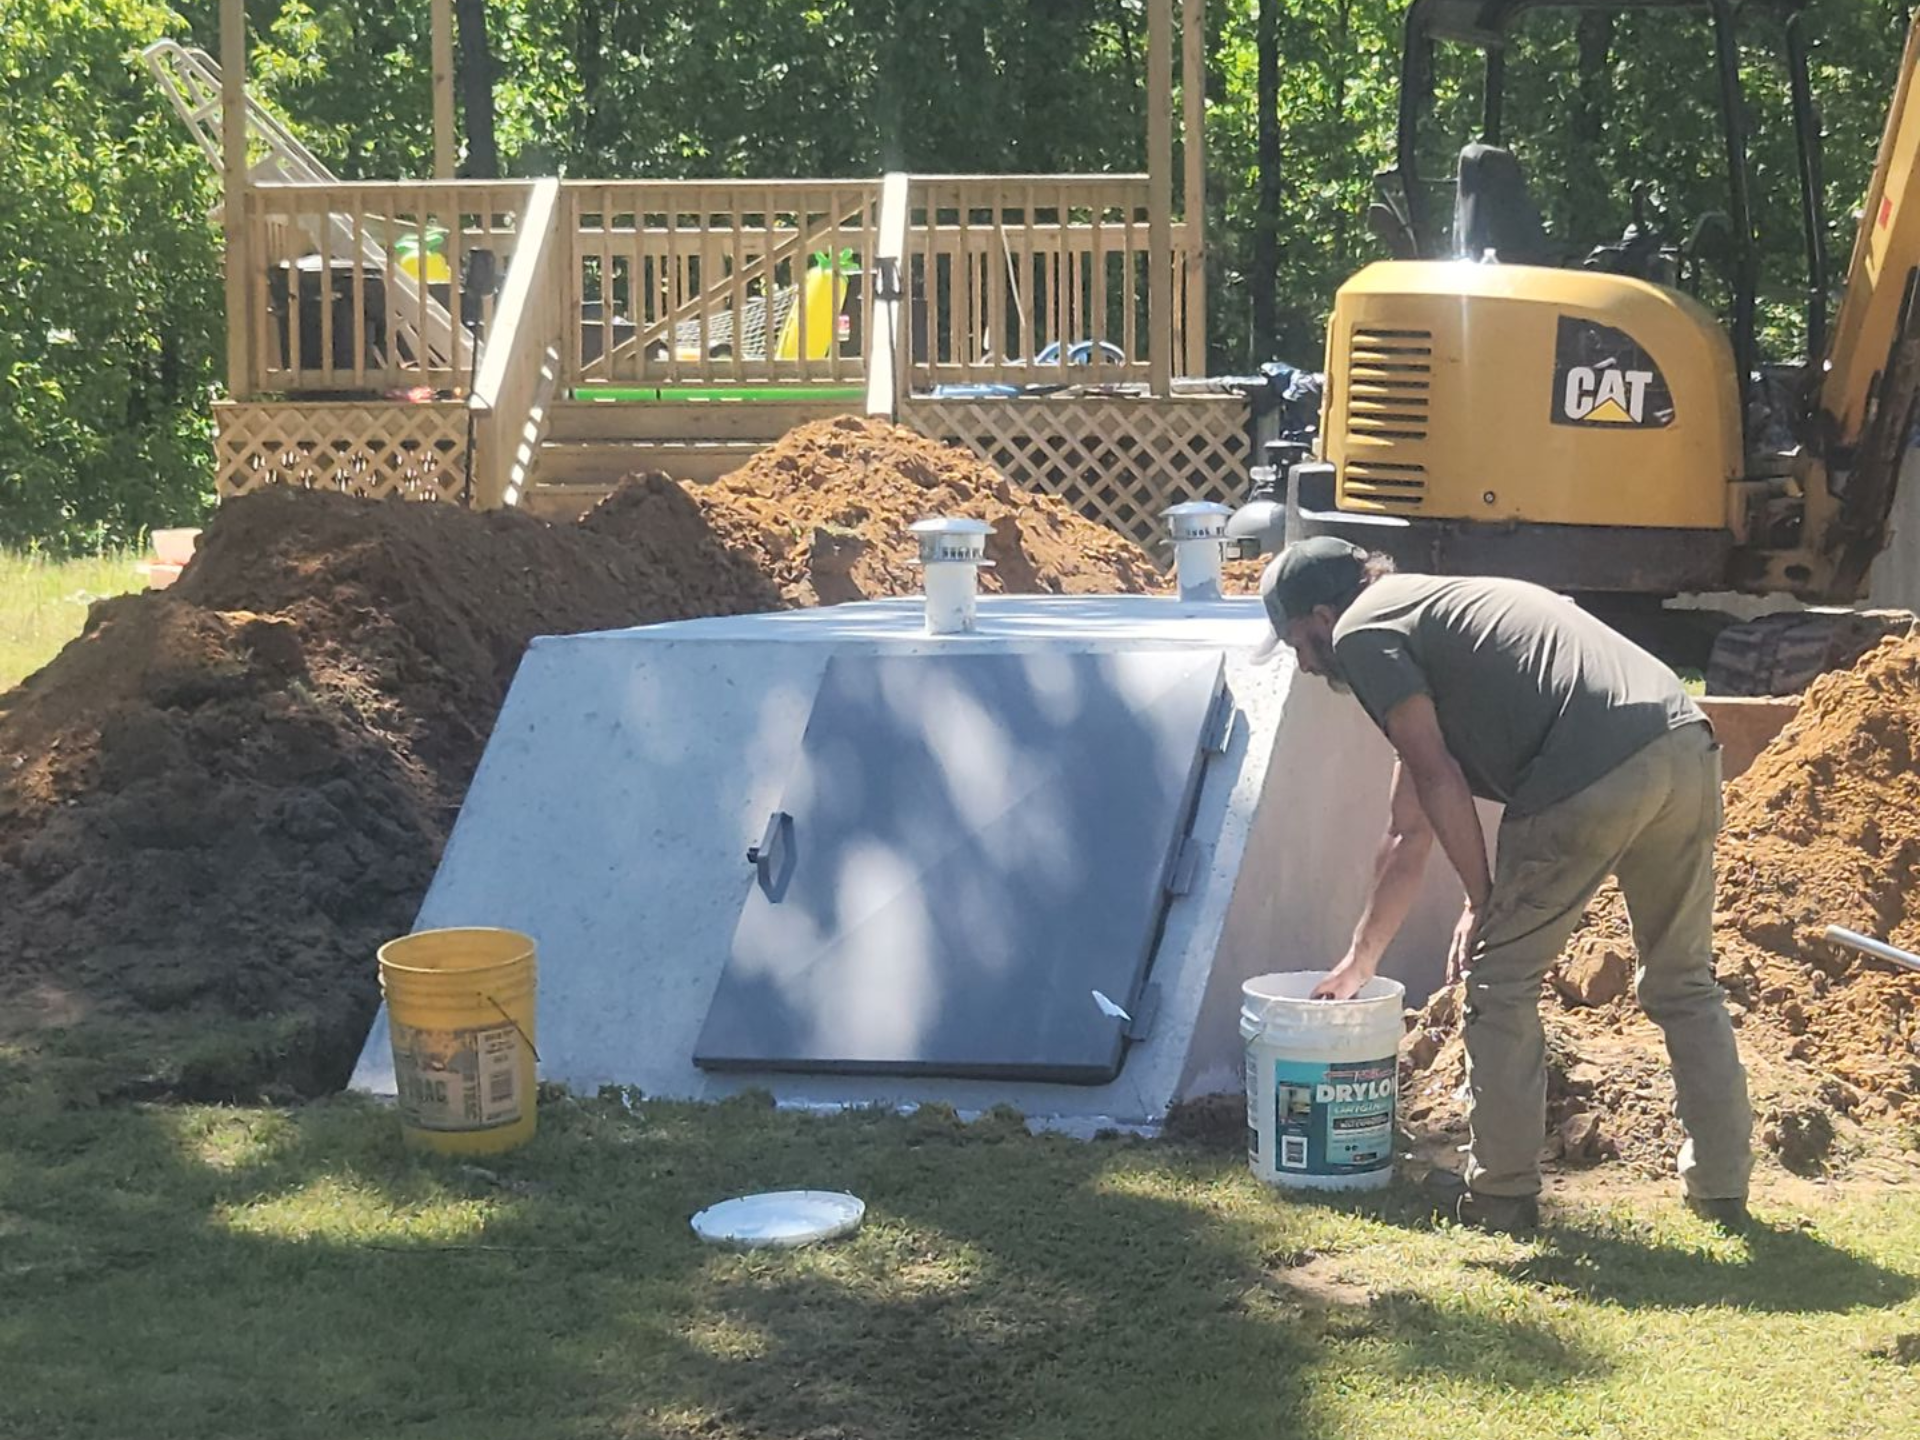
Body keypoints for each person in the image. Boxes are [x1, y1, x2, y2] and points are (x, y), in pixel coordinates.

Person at [1257, 536, 1752, 1234]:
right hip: (1684, 746)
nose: (1305, 662)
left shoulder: (1364, 632)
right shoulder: (1431, 611)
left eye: (1297, 643)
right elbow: (1409, 828)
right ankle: (1722, 1187)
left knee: (1497, 985)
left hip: (1591, 766)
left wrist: (1485, 900)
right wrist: (1359, 961)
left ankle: (1500, 1196)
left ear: (1321, 613)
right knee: (1681, 981)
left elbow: (1439, 777)